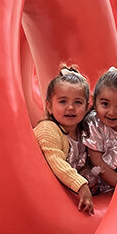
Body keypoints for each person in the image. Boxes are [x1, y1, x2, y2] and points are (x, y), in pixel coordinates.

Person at [33, 65, 95, 214]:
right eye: (63, 101)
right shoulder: (48, 129)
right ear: (49, 106)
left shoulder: (83, 131)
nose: (71, 108)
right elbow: (55, 160)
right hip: (42, 196)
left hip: (67, 195)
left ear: (87, 107)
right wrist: (81, 185)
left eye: (78, 102)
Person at [83, 67, 117, 192]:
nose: (112, 112)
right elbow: (97, 161)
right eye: (105, 104)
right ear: (94, 101)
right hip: (107, 183)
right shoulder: (94, 125)